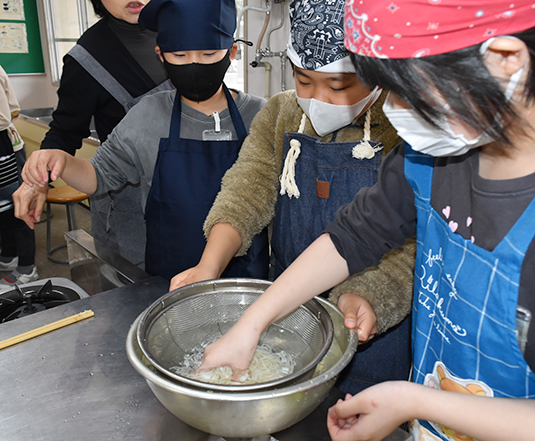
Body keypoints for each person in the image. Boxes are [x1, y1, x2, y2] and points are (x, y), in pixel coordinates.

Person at [194, 1, 535, 440]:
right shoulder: (445, 144)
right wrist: (252, 323)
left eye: (406, 89)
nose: (392, 109)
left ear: (504, 59)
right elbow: (355, 235)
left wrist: (413, 401)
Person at [170, 0, 416, 395]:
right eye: (304, 80)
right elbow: (247, 188)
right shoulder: (281, 114)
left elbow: (410, 241)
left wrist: (370, 294)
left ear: (378, 75)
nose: (318, 99)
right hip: (285, 308)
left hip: (370, 326)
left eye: (338, 85)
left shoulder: (405, 127)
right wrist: (209, 264)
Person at [19, 0, 269, 282]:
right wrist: (61, 161)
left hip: (248, 279)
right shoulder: (146, 116)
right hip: (169, 279)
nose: (194, 65)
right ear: (161, 55)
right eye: (180, 56)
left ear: (232, 52)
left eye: (209, 53)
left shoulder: (263, 116)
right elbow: (99, 176)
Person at [13, 0, 172, 268]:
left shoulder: (184, 32)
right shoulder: (88, 58)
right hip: (131, 209)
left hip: (191, 193)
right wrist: (36, 179)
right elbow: (65, 131)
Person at [0, 64, 37, 286]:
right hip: (7, 144)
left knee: (18, 206)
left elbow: (4, 118)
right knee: (3, 208)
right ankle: (9, 255)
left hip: (6, 149)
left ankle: (27, 267)